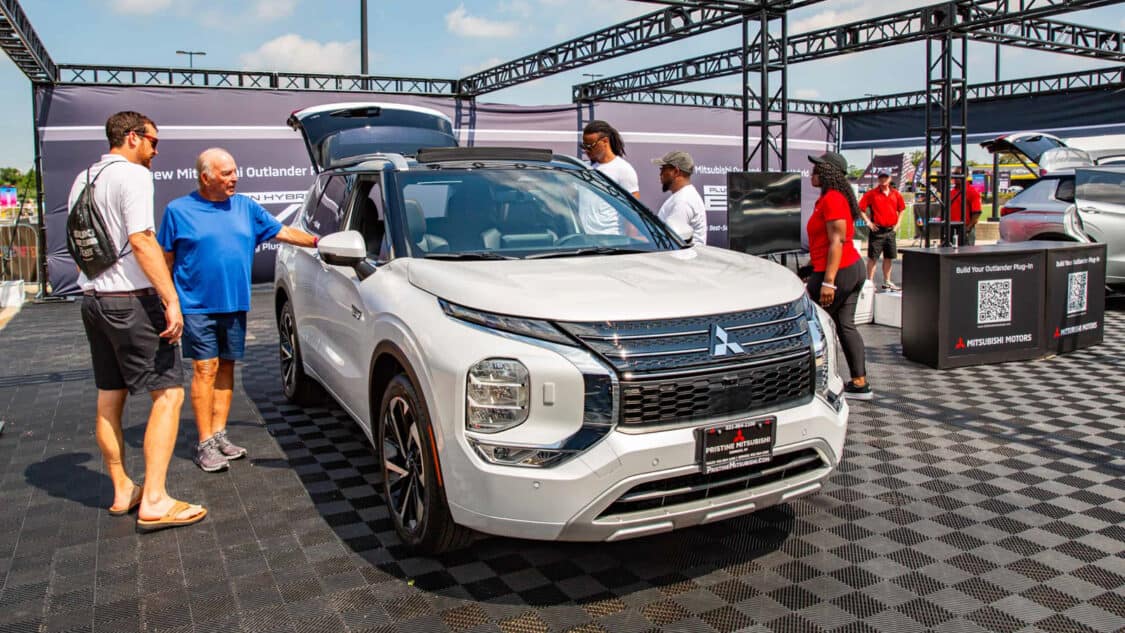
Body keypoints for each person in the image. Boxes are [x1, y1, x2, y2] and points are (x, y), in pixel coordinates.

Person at [71, 111, 206, 531]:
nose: (155, 150)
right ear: (132, 138)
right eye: (152, 141)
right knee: (168, 396)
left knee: (109, 398)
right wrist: (171, 300)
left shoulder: (84, 178)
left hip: (93, 300)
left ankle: (122, 489)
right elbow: (143, 240)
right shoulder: (132, 176)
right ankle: (155, 500)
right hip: (131, 302)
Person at [158, 148, 317, 472]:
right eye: (226, 173)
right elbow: (165, 259)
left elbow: (284, 232)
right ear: (206, 177)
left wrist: (319, 242)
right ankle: (204, 443)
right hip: (196, 306)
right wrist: (169, 301)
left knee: (227, 366)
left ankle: (218, 435)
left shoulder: (245, 207)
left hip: (234, 304)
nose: (235, 177)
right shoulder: (178, 211)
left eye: (235, 171)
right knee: (206, 368)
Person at [805, 151, 872, 400]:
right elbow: (825, 242)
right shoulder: (830, 198)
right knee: (845, 326)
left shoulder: (833, 198)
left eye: (817, 169)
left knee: (813, 329)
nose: (812, 173)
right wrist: (810, 267)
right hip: (849, 268)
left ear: (830, 172)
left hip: (838, 272)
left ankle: (813, 387)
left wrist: (828, 282)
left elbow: (837, 241)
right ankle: (860, 383)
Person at [578, 120, 640, 236]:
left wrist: (631, 245)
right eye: (584, 146)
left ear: (605, 141)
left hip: (611, 240)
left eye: (590, 146)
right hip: (585, 241)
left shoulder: (623, 169)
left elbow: (634, 213)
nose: (586, 150)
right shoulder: (585, 168)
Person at [858, 172, 906, 290]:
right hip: (877, 230)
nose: (883, 180)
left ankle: (887, 281)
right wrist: (868, 222)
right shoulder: (872, 194)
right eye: (881, 178)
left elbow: (902, 209)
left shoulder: (896, 194)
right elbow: (860, 208)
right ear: (878, 179)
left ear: (890, 179)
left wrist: (898, 224)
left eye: (885, 177)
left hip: (890, 230)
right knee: (873, 257)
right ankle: (870, 282)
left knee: (889, 257)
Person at [651, 151, 708, 245]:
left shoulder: (682, 201)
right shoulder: (683, 196)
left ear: (676, 171)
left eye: (663, 169)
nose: (660, 174)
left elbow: (671, 242)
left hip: (681, 258)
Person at [949, 168, 982, 245]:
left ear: (965, 175)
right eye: (954, 174)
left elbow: (977, 212)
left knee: (965, 253)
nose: (955, 177)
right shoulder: (951, 192)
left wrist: (968, 228)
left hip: (965, 229)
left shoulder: (972, 191)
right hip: (951, 228)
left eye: (958, 174)